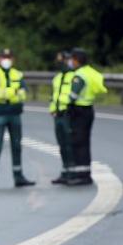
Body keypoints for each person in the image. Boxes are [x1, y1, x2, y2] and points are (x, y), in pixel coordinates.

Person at [0, 48, 34, 189]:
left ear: (13, 59)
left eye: (9, 57)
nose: (6, 60)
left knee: (17, 146)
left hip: (14, 114)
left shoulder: (17, 74)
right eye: (3, 57)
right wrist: (14, 92)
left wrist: (8, 93)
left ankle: (18, 177)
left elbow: (24, 94)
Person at [64, 48, 107, 186]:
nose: (70, 62)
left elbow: (73, 95)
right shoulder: (91, 72)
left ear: (76, 60)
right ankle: (85, 173)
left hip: (78, 111)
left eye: (72, 59)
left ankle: (82, 175)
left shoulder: (79, 75)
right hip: (88, 109)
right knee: (85, 142)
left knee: (78, 143)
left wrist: (66, 104)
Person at [49, 50, 75, 184]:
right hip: (57, 115)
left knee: (70, 144)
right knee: (62, 145)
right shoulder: (57, 78)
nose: (61, 64)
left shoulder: (74, 77)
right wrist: (52, 110)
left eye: (63, 61)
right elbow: (53, 96)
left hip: (68, 114)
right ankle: (65, 171)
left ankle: (73, 172)